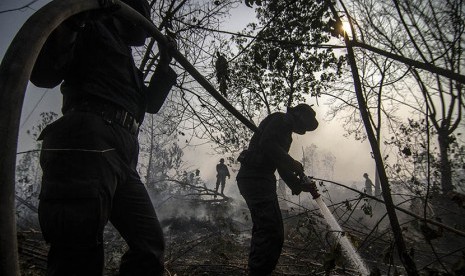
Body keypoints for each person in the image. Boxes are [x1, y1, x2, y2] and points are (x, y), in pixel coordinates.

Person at [29, 0, 177, 275]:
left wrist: (164, 63)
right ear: (129, 14)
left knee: (149, 245)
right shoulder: (90, 25)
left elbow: (148, 105)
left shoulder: (124, 55)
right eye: (145, 23)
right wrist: (76, 20)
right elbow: (43, 74)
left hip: (122, 152)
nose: (147, 34)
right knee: (78, 249)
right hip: (87, 141)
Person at [236, 103, 320, 276]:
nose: (304, 129)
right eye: (305, 123)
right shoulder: (280, 119)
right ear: (297, 113)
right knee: (271, 230)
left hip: (260, 179)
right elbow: (267, 144)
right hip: (255, 178)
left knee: (267, 228)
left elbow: (280, 165)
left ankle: (258, 269)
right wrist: (292, 162)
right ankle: (259, 271)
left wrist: (298, 185)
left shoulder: (286, 133)